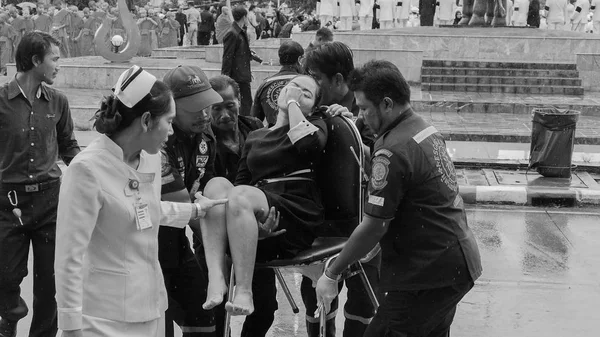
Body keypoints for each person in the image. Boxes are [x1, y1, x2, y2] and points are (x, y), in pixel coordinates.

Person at [55, 65, 227, 337]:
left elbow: (143, 210)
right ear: (147, 120)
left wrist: (194, 209)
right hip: (102, 318)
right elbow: (68, 257)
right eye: (169, 122)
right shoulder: (86, 170)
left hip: (150, 305)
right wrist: (71, 326)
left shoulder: (151, 159)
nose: (171, 132)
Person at [315, 60, 483, 337]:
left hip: (427, 272)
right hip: (454, 262)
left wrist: (332, 272)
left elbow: (374, 225)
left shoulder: (392, 151)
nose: (361, 115)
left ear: (387, 104)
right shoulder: (422, 129)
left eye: (365, 108)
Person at [200, 75, 329, 317]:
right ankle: (216, 277)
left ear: (313, 106)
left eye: (306, 93)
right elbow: (240, 184)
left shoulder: (316, 123)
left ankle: (244, 292)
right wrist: (248, 222)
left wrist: (293, 105)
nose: (297, 93)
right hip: (256, 214)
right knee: (217, 186)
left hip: (294, 211)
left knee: (240, 196)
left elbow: (308, 145)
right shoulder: (256, 136)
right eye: (292, 88)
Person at [0, 31, 80, 337]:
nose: (59, 65)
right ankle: (11, 314)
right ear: (36, 61)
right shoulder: (1, 101)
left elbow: (69, 146)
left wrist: (95, 172)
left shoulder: (58, 101)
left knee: (50, 284)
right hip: (7, 202)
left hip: (51, 202)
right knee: (5, 276)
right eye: (55, 58)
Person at [302, 41, 379, 337]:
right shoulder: (310, 107)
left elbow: (381, 165)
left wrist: (353, 131)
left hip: (362, 224)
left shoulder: (366, 110)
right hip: (322, 223)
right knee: (317, 300)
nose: (313, 85)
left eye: (317, 78)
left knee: (361, 304)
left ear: (337, 80)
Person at [209, 75, 280, 337]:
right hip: (214, 234)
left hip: (256, 231)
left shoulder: (255, 128)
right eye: (216, 108)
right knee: (214, 311)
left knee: (265, 306)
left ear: (240, 101)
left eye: (230, 105)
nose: (225, 114)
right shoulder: (204, 141)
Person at [159, 65, 224, 337]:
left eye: (207, 105)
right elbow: (190, 209)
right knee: (157, 325)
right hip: (146, 245)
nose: (205, 114)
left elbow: (204, 196)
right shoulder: (159, 143)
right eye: (195, 108)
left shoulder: (206, 138)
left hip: (176, 240)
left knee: (203, 318)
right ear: (171, 108)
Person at [251, 40, 304, 127]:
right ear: (300, 59)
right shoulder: (306, 83)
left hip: (274, 137)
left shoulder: (264, 85)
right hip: (300, 135)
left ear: (280, 60)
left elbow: (254, 122)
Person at [222, 6, 253, 116]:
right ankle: (244, 125)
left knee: (246, 102)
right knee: (245, 103)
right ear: (244, 17)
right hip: (237, 74)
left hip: (242, 73)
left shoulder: (240, 31)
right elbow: (227, 57)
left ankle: (244, 123)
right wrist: (224, 78)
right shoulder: (232, 33)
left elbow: (240, 51)